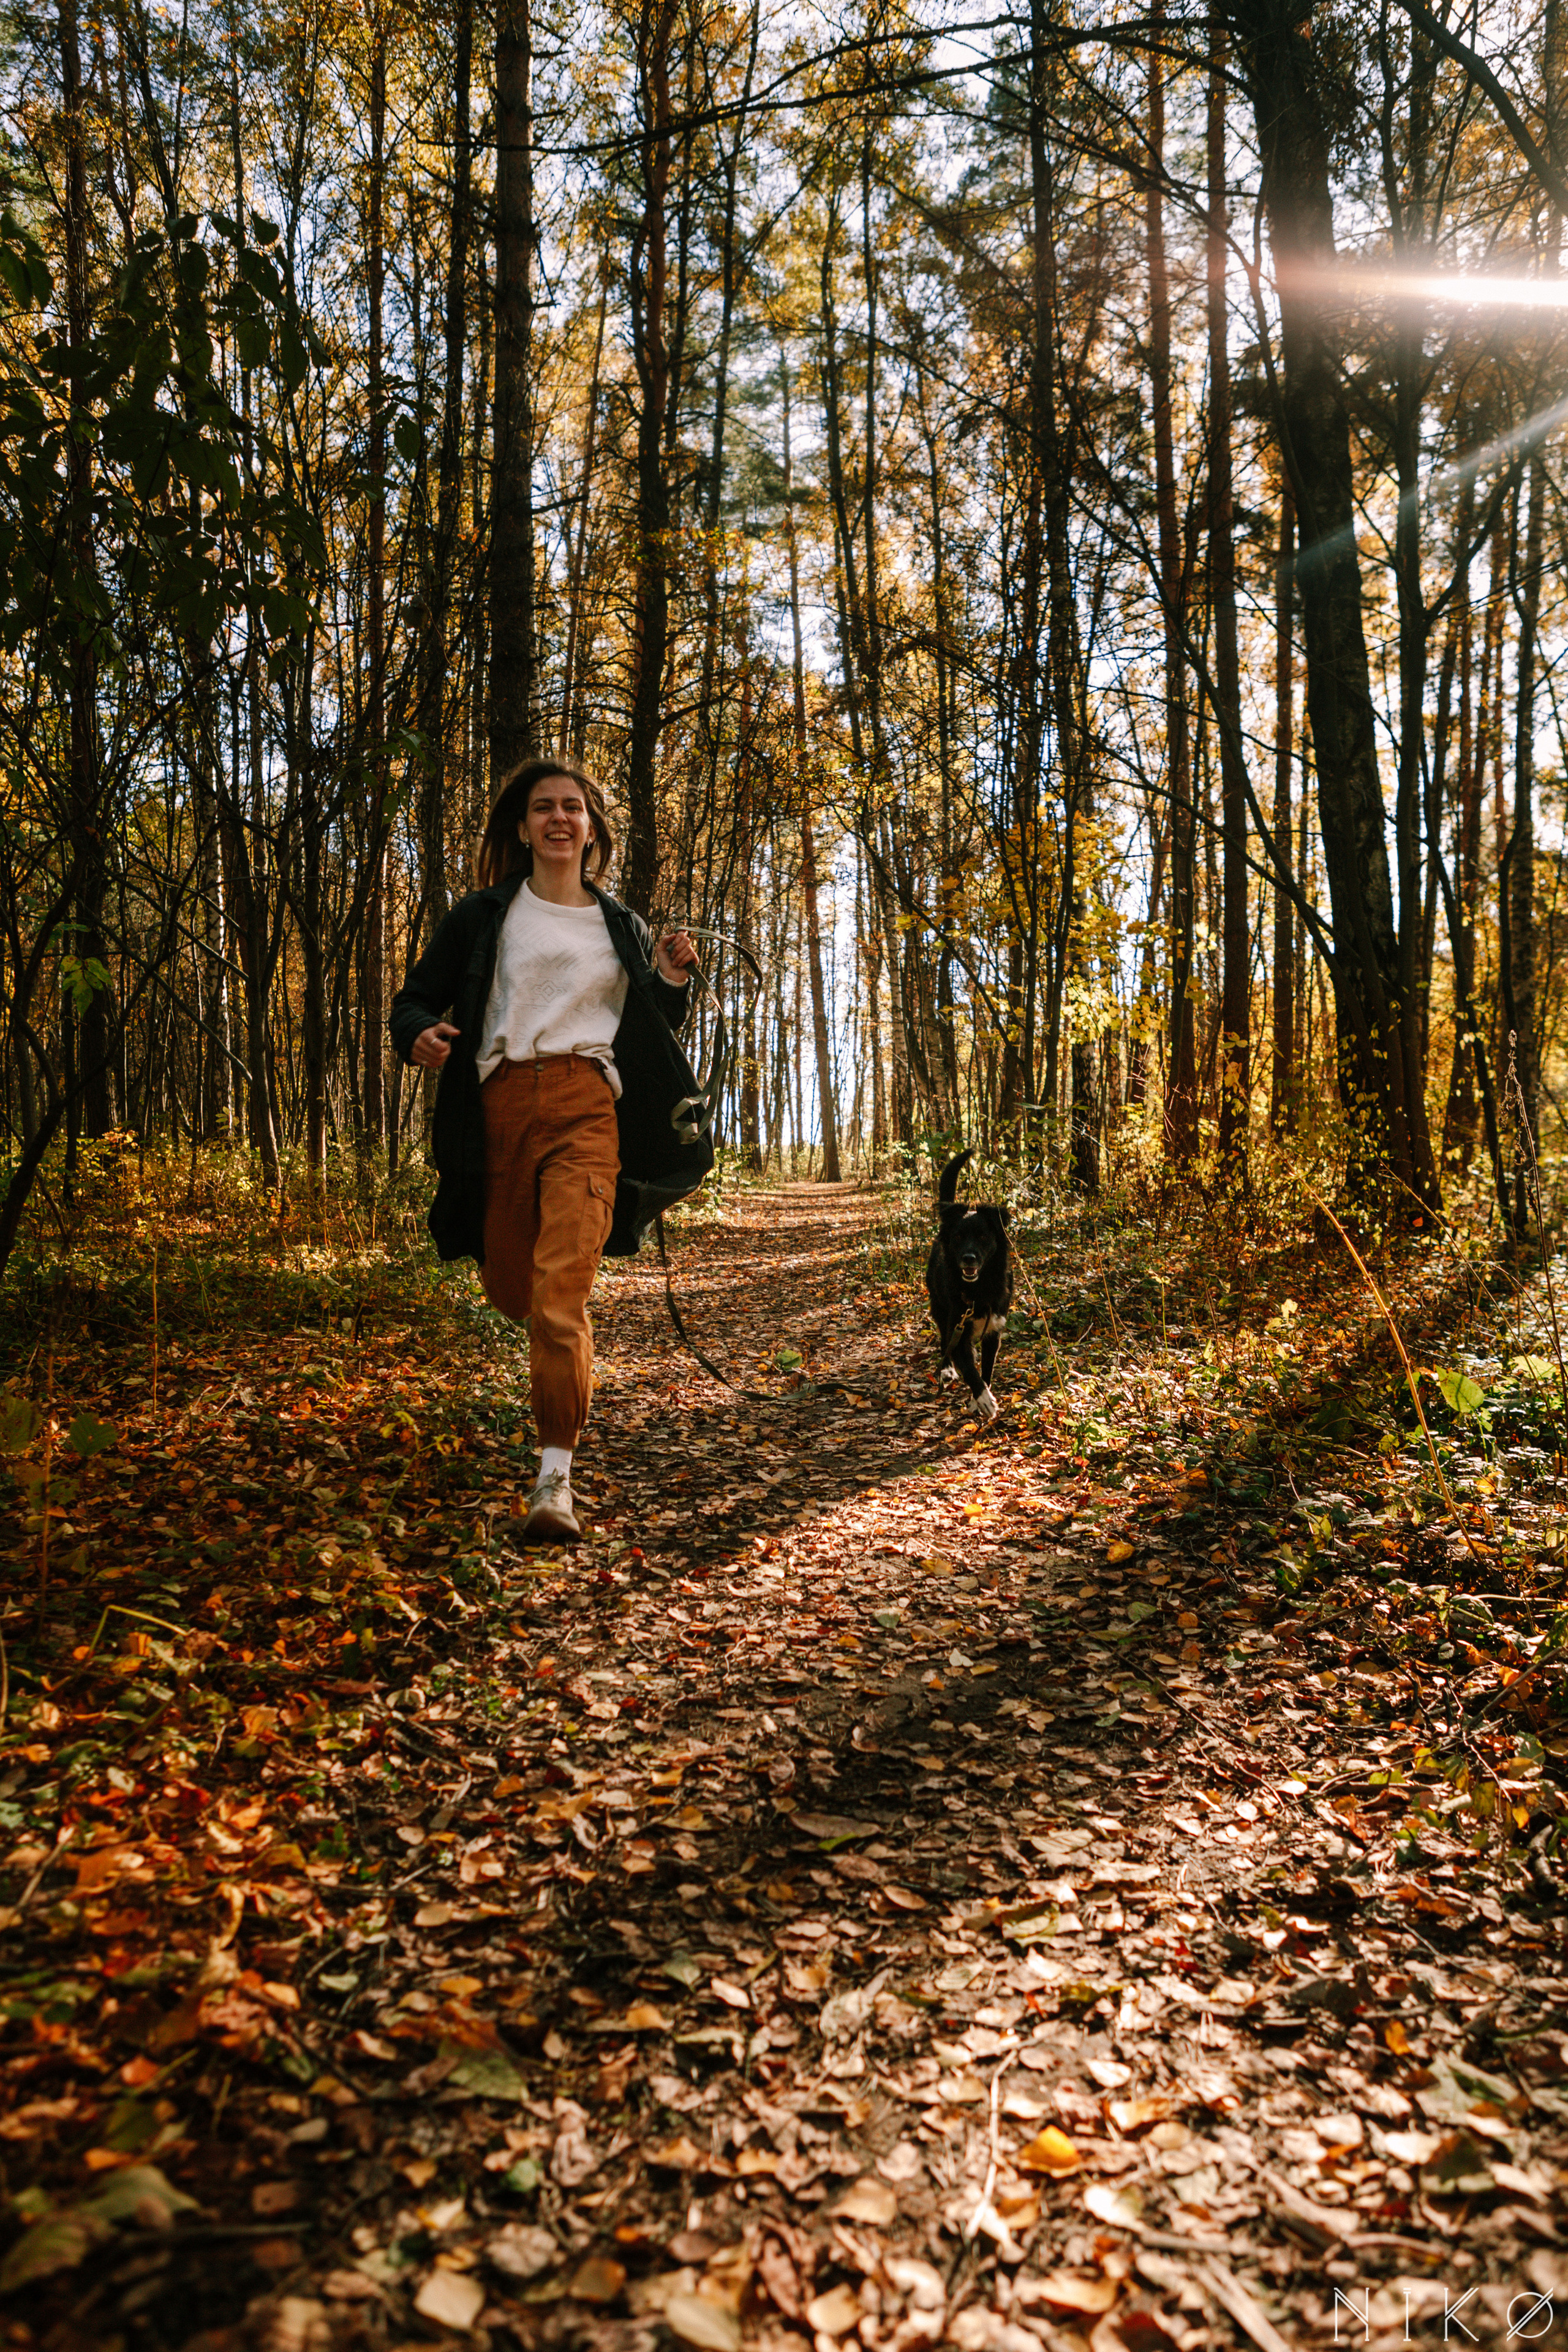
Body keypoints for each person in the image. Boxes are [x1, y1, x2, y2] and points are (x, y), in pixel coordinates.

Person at [389, 759, 696, 1545]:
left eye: (573, 808)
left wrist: (665, 980)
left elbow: (649, 1032)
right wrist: (417, 1032)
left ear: (591, 828)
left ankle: (553, 1481)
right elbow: (415, 995)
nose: (559, 819)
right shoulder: (484, 916)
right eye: (543, 808)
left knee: (560, 1297)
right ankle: (556, 1389)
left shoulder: (620, 925)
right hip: (496, 1109)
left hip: (589, 1107)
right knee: (512, 1290)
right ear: (521, 827)